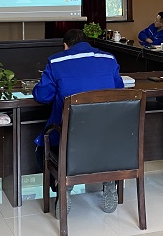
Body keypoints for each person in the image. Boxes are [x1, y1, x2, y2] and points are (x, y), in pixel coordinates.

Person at [32, 29, 124, 217]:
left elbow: (42, 96)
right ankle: (109, 180)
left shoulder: (56, 61)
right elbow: (119, 90)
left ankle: (62, 185)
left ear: (65, 46)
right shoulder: (109, 59)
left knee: (42, 150)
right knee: (98, 139)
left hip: (69, 138)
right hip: (107, 138)